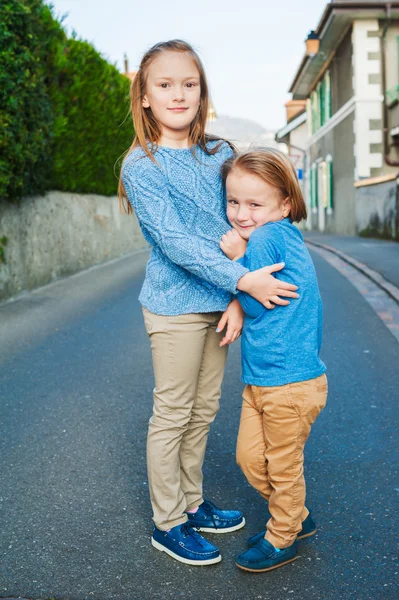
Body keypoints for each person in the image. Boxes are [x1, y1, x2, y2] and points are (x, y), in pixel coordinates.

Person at [119, 40, 299, 567]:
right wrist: (244, 281)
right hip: (173, 304)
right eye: (165, 84)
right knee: (172, 412)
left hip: (219, 301)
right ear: (145, 96)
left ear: (202, 92)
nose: (179, 94)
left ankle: (192, 503)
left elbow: (241, 220)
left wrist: (236, 292)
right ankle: (167, 521)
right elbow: (174, 242)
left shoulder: (219, 153)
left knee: (203, 412)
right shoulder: (142, 165)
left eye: (189, 84)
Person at [219, 148, 328, 573]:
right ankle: (294, 515)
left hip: (288, 382)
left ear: (285, 204)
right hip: (265, 378)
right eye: (233, 202)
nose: (241, 214)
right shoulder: (277, 235)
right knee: (250, 458)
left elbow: (260, 307)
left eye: (254, 204)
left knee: (282, 468)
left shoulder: (266, 239)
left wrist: (234, 261)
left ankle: (284, 536)